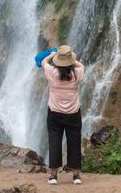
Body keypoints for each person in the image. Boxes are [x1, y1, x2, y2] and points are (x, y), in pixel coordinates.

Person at [41, 45, 85, 185]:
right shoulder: (77, 73)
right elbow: (81, 65)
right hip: (73, 113)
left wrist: (52, 55)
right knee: (74, 143)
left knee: (54, 142)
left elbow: (43, 62)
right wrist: (73, 59)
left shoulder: (52, 73)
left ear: (58, 61)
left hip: (55, 113)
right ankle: (76, 176)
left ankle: (53, 176)